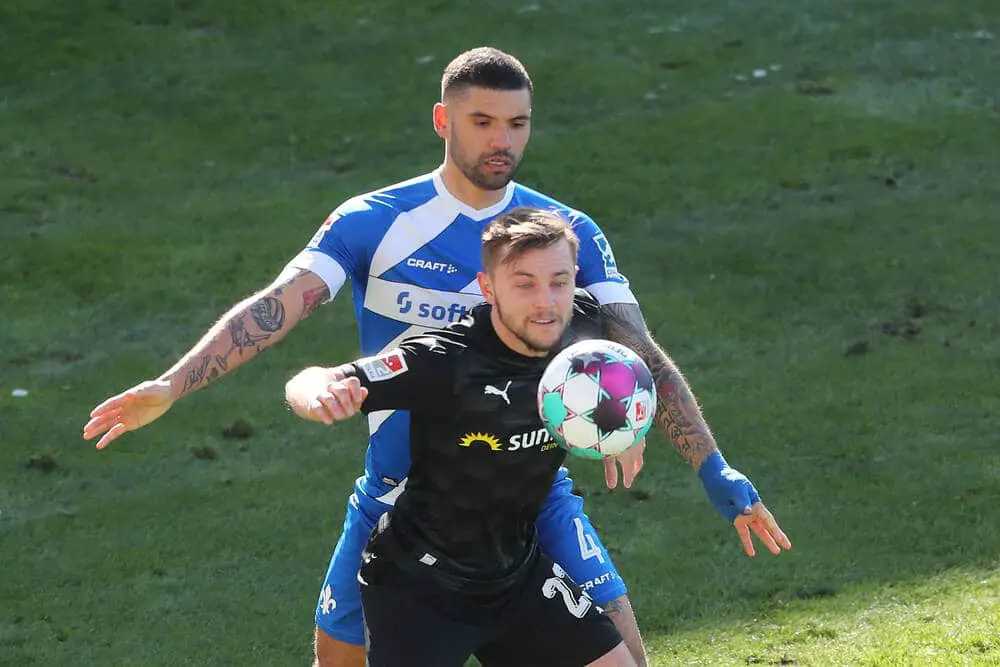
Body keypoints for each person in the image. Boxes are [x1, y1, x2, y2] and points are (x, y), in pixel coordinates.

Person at [83, 47, 789, 667]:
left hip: (530, 491)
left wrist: (708, 462)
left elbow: (637, 352)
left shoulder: (564, 232)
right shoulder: (375, 220)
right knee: (338, 658)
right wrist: (174, 384)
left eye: (518, 123)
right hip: (398, 501)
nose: (502, 140)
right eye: (482, 121)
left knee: (627, 653)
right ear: (442, 120)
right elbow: (278, 306)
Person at [286, 207, 641, 666]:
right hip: (419, 590)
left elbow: (627, 367)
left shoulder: (582, 330)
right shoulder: (446, 362)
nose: (546, 302)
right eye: (525, 284)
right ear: (488, 287)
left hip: (517, 578)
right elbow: (317, 378)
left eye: (559, 281)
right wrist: (317, 395)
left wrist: (627, 424)